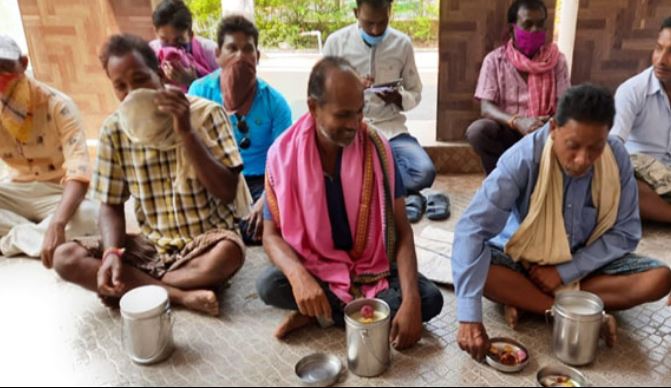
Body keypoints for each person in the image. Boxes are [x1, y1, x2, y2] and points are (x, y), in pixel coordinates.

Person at [451, 84, 671, 361]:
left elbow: (625, 233)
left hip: (584, 262)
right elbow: (472, 230)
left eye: (595, 148)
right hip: (525, 263)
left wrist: (566, 271)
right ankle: (578, 313)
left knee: (658, 279)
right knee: (482, 274)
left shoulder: (616, 157)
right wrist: (468, 319)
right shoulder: (522, 159)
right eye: (573, 146)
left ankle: (529, 301)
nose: (583, 160)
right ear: (554, 128)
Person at [51, 34, 246, 316]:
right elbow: (111, 204)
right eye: (120, 86)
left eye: (140, 79)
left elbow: (227, 190)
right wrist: (111, 254)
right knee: (66, 258)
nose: (132, 92)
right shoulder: (114, 130)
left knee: (228, 254)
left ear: (158, 73)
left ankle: (139, 286)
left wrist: (186, 132)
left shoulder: (205, 114)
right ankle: (179, 295)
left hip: (205, 245)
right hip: (152, 248)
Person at [256, 57, 443, 347]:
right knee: (269, 285)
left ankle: (321, 314)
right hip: (315, 264)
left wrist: (412, 301)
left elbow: (402, 231)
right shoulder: (282, 156)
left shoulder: (379, 148)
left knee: (429, 299)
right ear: (313, 108)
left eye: (359, 112)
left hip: (375, 262)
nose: (355, 125)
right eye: (343, 115)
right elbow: (270, 236)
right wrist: (298, 275)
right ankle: (361, 315)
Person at [322, 0, 448, 223]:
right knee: (336, 176)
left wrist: (399, 99)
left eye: (382, 22)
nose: (375, 30)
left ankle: (392, 192)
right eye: (368, 23)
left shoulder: (402, 44)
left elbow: (415, 91)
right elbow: (322, 91)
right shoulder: (336, 43)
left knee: (424, 172)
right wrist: (350, 87)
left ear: (390, 12)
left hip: (392, 128)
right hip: (351, 130)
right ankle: (409, 195)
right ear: (355, 13)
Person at [189, 15, 292, 244]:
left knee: (273, 218)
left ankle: (229, 233)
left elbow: (284, 164)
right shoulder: (199, 92)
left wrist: (266, 200)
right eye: (232, 48)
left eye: (248, 49)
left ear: (257, 56)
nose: (240, 56)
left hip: (259, 181)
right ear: (217, 54)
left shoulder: (275, 103)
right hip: (215, 176)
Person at [0, 34, 97, 265]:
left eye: (4, 67)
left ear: (23, 63)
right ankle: (38, 236)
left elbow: (79, 173)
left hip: (57, 191)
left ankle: (13, 238)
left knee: (92, 217)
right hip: (16, 190)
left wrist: (58, 223)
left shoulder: (58, 105)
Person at [466, 0, 570, 175]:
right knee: (478, 131)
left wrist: (547, 123)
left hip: (544, 129)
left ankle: (542, 182)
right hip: (510, 129)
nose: (535, 30)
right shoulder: (495, 60)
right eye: (528, 24)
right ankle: (498, 177)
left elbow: (565, 103)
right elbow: (486, 107)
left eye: (540, 24)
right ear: (512, 28)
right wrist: (517, 121)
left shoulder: (557, 60)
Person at [610, 17, 671, 224]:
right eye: (658, 48)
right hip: (642, 183)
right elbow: (613, 146)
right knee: (619, 183)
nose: (661, 60)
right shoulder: (632, 91)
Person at [149, 0, 219, 91]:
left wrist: (193, 81)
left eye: (179, 40)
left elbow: (224, 92)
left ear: (190, 33)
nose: (172, 48)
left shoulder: (210, 51)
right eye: (164, 40)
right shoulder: (151, 53)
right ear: (156, 33)